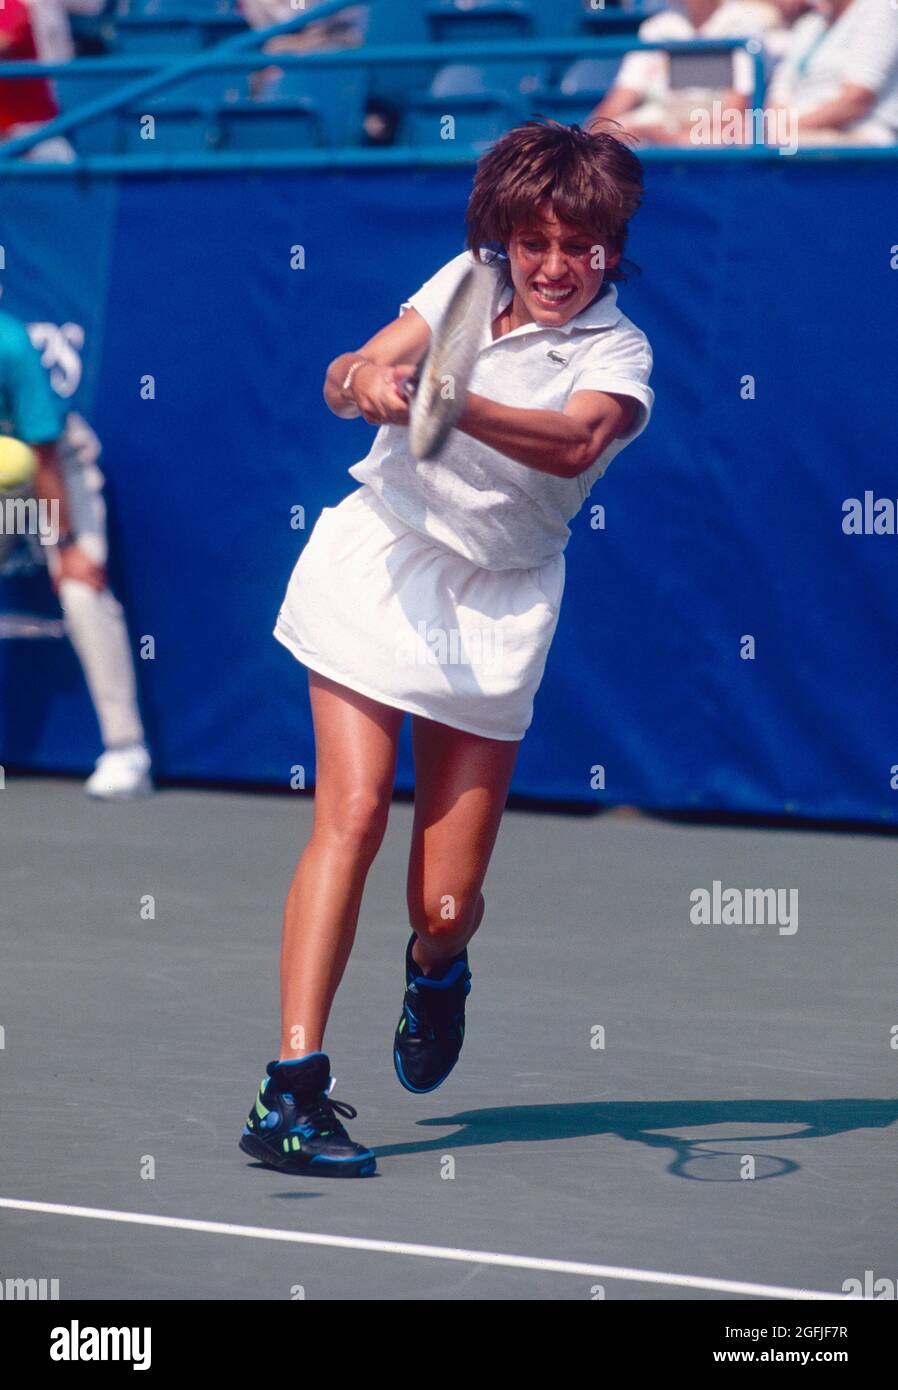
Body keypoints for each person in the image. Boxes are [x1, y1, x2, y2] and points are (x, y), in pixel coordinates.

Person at [239, 119, 655, 1178]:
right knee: (352, 809)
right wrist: (363, 381)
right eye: (535, 243)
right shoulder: (462, 287)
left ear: (610, 248)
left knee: (443, 904)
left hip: (496, 610)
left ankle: (436, 969)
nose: (556, 266)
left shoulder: (616, 351)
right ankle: (292, 1086)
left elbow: (575, 440)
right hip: (378, 562)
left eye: (581, 246)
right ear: (503, 240)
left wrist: (448, 399)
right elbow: (352, 372)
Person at [0, 305, 153, 797]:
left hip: (54, 465)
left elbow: (43, 453)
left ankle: (127, 750)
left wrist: (65, 545)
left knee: (82, 589)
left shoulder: (11, 344)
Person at [586, 0, 780, 146]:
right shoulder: (657, 27)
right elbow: (621, 98)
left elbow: (733, 113)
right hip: (658, 128)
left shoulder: (747, 26)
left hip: (713, 138)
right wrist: (597, 132)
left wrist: (672, 136)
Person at [765, 0, 898, 146]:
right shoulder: (809, 24)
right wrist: (778, 129)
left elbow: (856, 101)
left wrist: (786, 130)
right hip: (801, 137)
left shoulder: (880, 9)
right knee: (744, 140)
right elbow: (781, 90)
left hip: (860, 141)